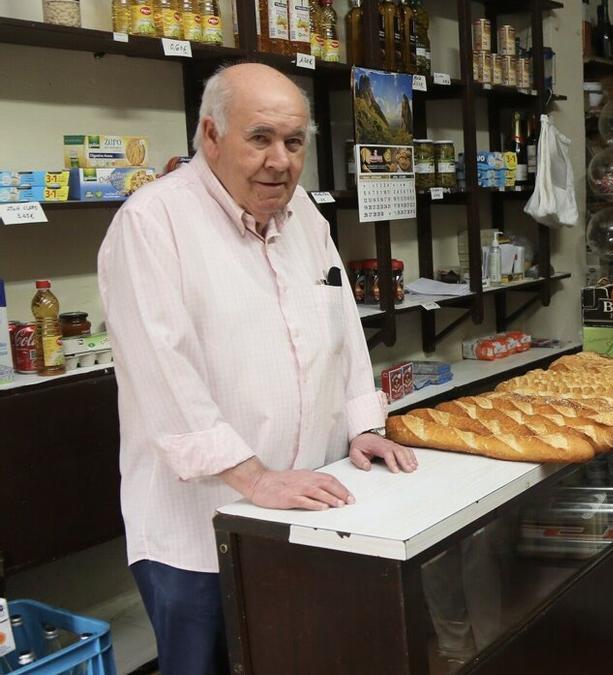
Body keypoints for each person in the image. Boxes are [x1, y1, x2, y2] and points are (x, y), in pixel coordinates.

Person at [98, 63, 418, 675]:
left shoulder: (307, 221)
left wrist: (363, 426)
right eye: (260, 138)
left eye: (294, 143)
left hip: (310, 509)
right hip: (199, 529)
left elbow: (343, 333)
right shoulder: (152, 224)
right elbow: (164, 374)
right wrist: (254, 477)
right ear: (210, 136)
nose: (280, 161)